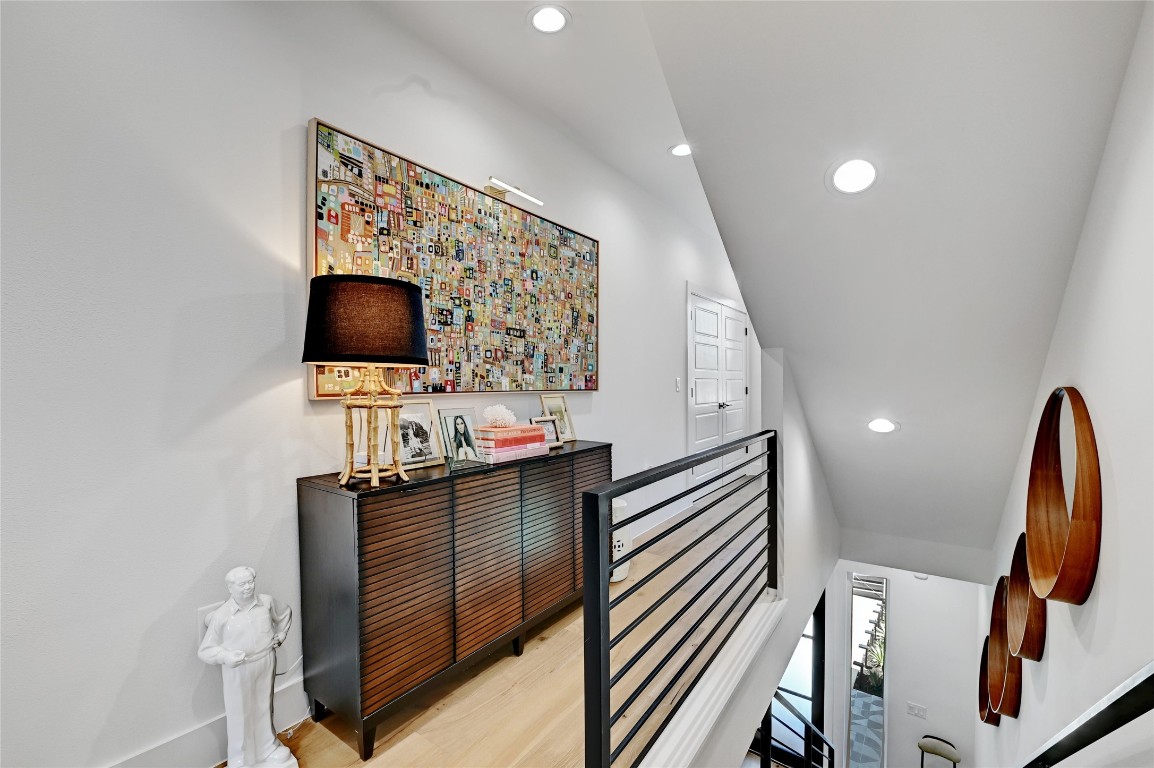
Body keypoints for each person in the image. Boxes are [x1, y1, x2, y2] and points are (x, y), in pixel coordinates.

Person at [199, 566, 295, 767]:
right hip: (239, 668)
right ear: (230, 587)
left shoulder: (266, 603)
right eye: (242, 584)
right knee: (240, 712)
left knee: (264, 706)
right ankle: (240, 758)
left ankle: (269, 748)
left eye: (250, 582)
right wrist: (226, 656)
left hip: (266, 659)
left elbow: (285, 613)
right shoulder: (223, 616)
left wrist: (281, 634)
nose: (248, 587)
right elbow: (205, 650)